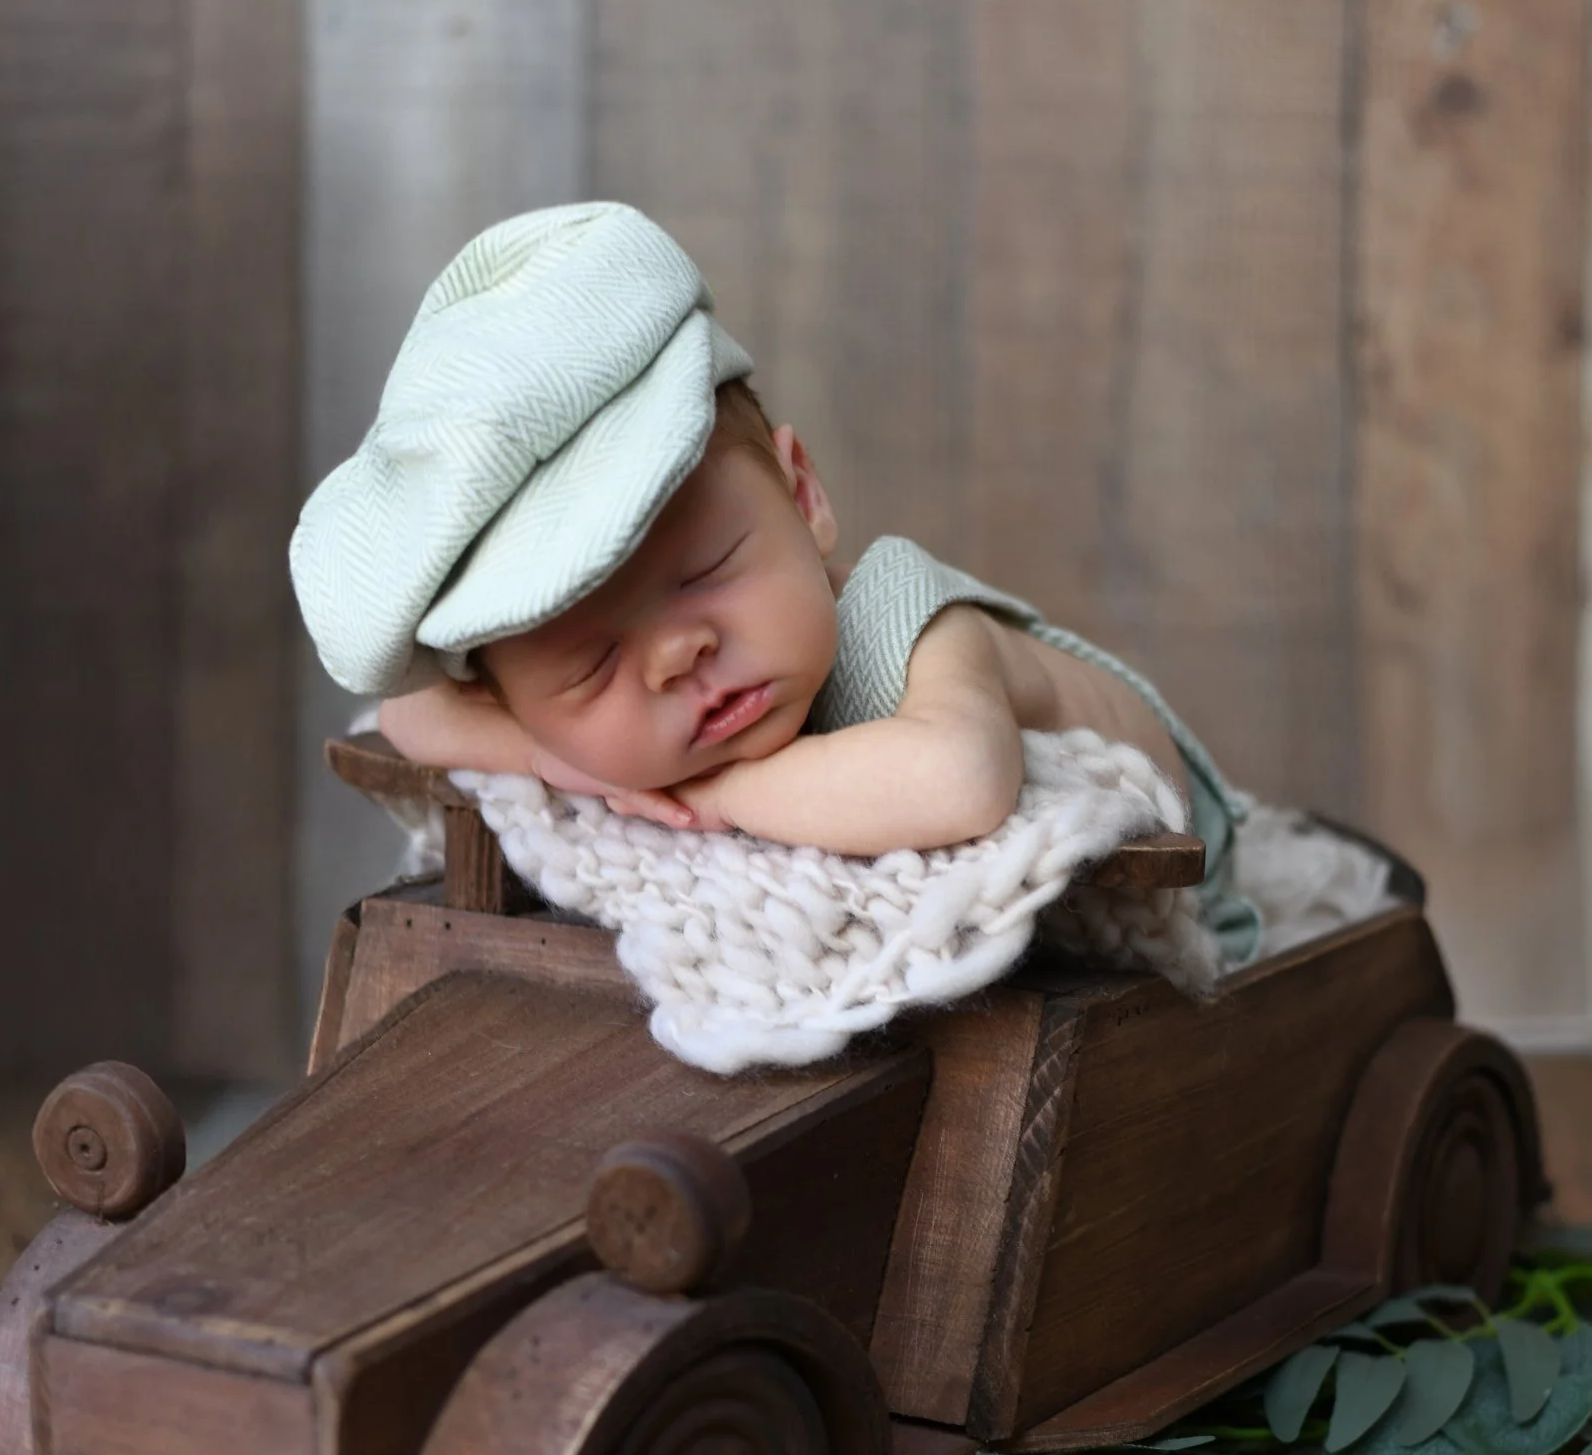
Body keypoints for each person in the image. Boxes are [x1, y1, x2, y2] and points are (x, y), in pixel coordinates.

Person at [292, 202, 1262, 962]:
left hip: (1198, 900)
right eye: (588, 669)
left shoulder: (909, 619)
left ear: (804, 498)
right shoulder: (540, 712)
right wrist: (561, 758)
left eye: (706, 572)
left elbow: (959, 780)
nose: (679, 653)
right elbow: (414, 714)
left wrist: (715, 787)